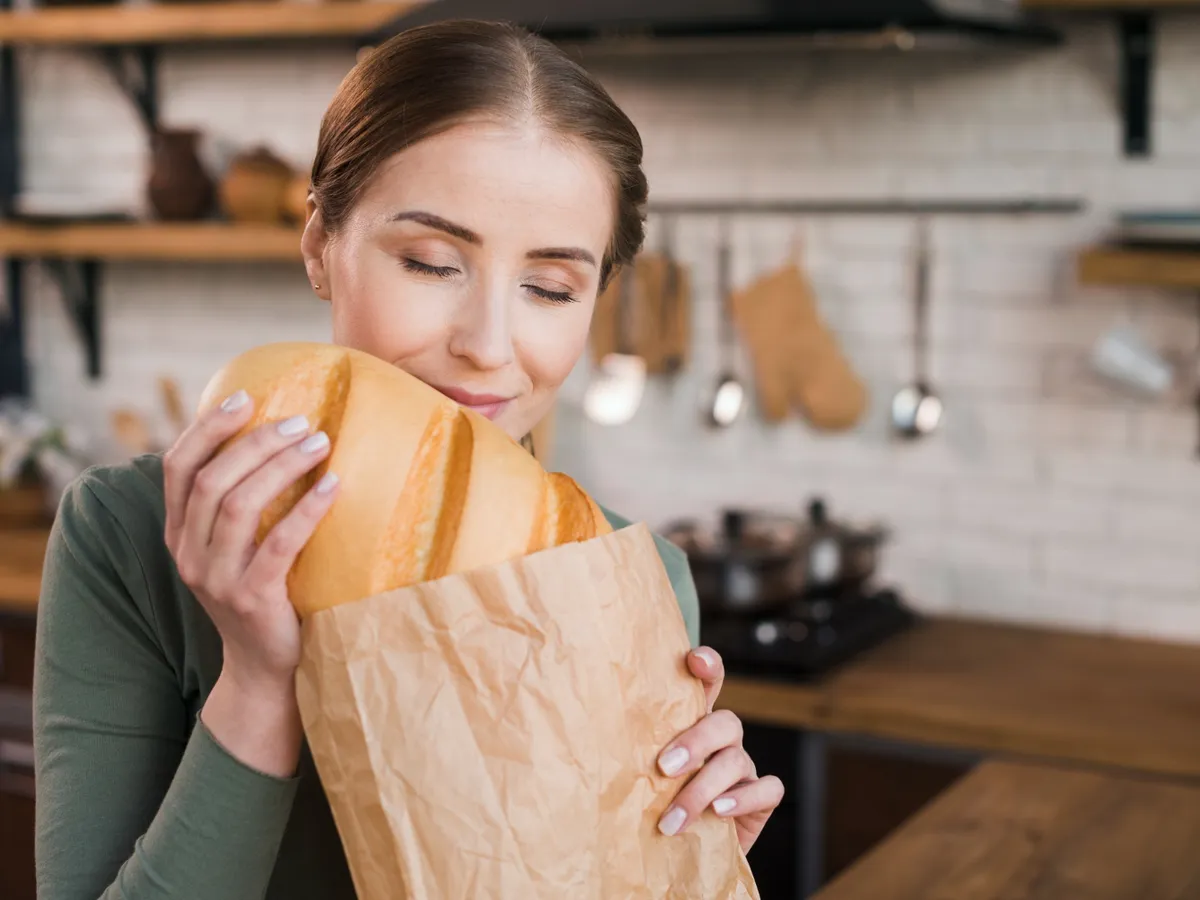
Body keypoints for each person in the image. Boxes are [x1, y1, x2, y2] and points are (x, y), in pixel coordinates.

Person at [33, 18, 784, 899]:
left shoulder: (633, 576)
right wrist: (261, 682)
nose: (489, 344)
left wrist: (680, 859)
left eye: (550, 287)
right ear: (321, 247)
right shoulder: (127, 534)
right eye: (431, 263)